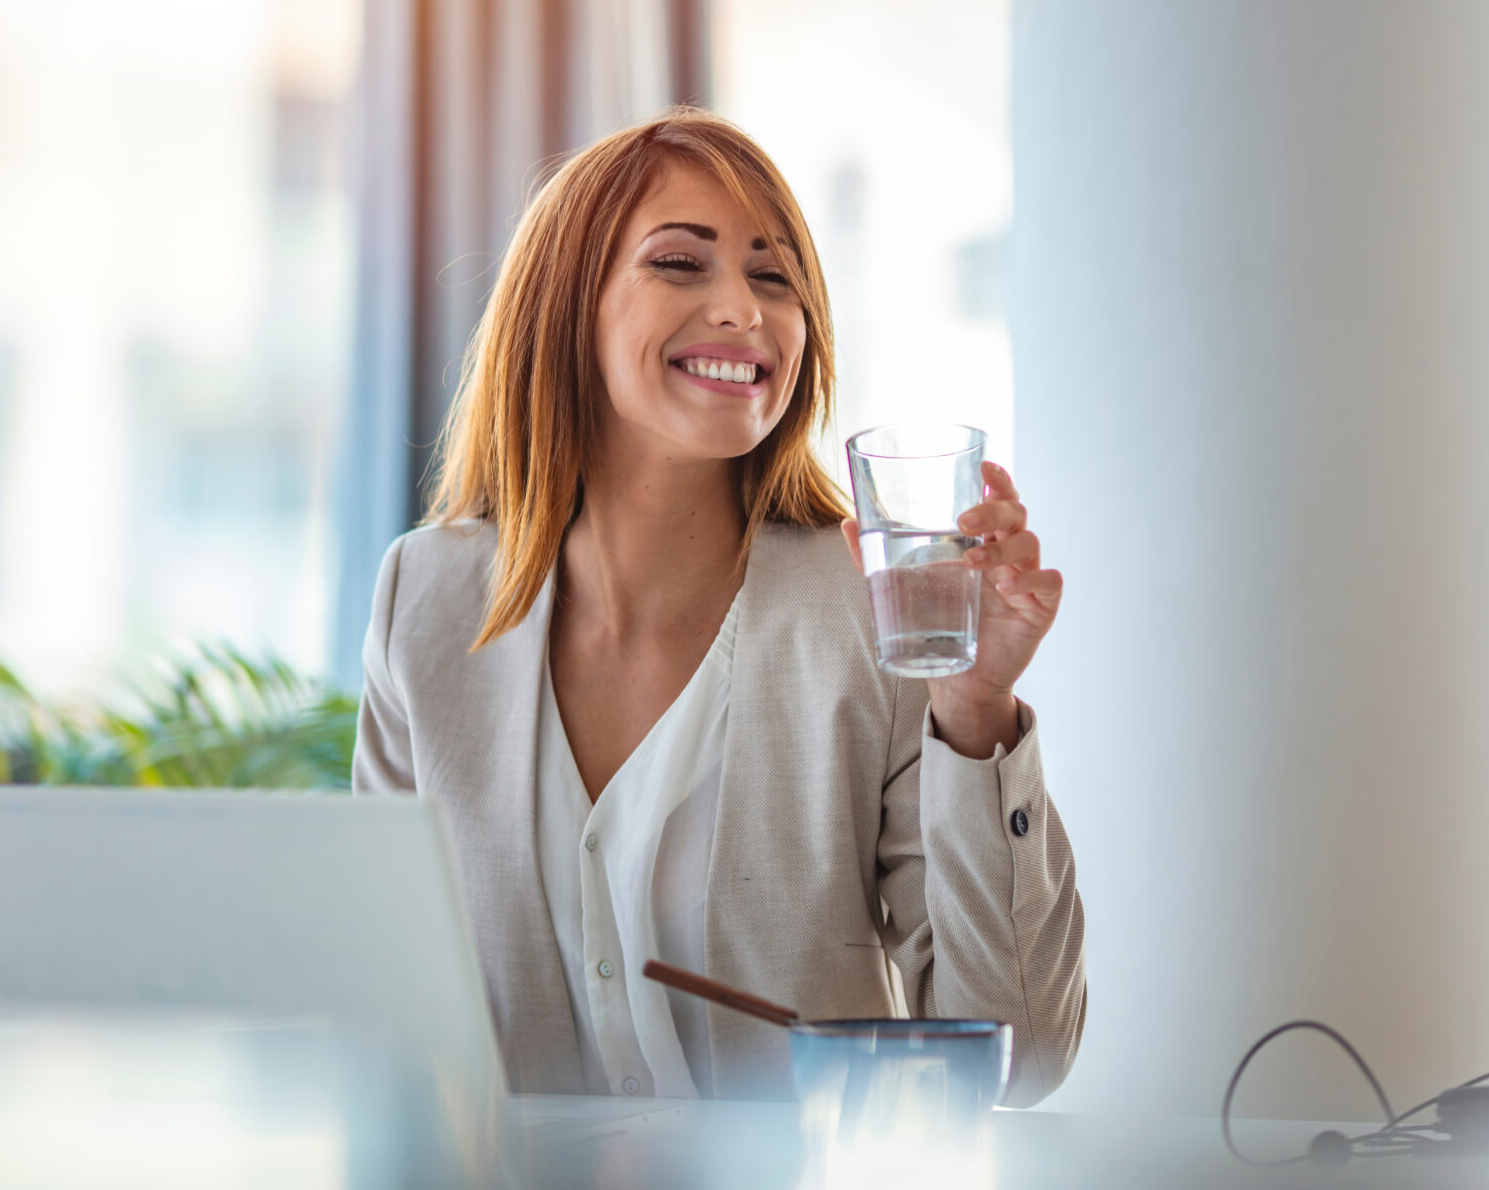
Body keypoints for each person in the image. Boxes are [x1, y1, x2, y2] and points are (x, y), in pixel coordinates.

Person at [353, 106, 1084, 1107]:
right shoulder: (426, 600)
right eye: (681, 263)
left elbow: (1023, 1058)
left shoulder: (872, 613)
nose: (744, 308)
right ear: (568, 305)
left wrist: (973, 709)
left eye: (773, 275)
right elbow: (386, 1006)